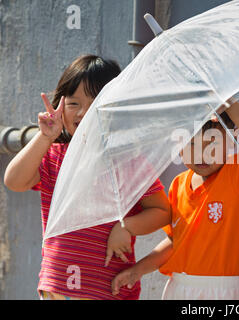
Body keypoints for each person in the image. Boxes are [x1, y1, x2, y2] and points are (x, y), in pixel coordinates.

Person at [4, 54, 171, 300]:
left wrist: (126, 226)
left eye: (96, 103)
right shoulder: (54, 155)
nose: (84, 113)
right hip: (56, 289)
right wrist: (45, 136)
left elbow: (162, 212)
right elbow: (14, 181)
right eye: (73, 104)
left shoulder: (129, 161)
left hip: (107, 290)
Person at [111, 100, 239, 299]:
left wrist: (227, 104)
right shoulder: (178, 185)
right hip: (179, 286)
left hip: (222, 289)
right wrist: (138, 270)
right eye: (192, 143)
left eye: (213, 143)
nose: (203, 153)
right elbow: (175, 241)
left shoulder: (238, 175)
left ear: (231, 140)